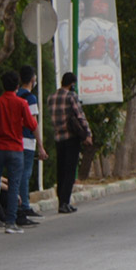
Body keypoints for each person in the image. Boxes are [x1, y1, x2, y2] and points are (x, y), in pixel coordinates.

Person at [0, 70, 37, 234]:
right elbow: (31, 124)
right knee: (14, 186)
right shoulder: (21, 103)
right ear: (17, 86)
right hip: (16, 149)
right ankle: (11, 222)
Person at [47, 71, 94, 213]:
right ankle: (65, 202)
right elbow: (80, 116)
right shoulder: (71, 96)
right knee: (70, 171)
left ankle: (61, 201)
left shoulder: (51, 97)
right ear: (72, 84)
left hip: (58, 138)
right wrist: (87, 134)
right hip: (71, 137)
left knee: (61, 170)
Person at [14, 65, 46, 227]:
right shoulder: (31, 99)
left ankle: (18, 205)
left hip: (14, 140)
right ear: (33, 79)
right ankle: (25, 206)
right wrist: (41, 145)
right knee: (25, 175)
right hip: (27, 140)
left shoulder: (15, 95)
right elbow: (33, 123)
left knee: (17, 175)